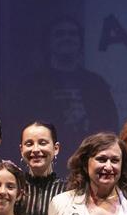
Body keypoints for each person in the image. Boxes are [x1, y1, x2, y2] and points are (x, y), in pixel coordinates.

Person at [12, 17, 119, 159]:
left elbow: (110, 125)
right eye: (60, 34)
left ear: (80, 41)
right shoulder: (32, 84)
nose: (67, 38)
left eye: (72, 34)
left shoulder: (95, 83)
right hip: (44, 159)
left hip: (87, 158)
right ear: (49, 42)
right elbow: (19, 122)